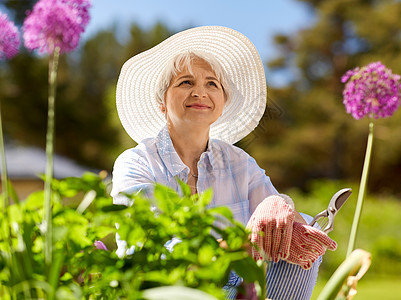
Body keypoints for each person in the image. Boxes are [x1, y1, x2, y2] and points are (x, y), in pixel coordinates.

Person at [111, 26, 336, 300]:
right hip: (159, 292)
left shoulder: (238, 161)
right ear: (162, 101)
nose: (200, 92)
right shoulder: (136, 163)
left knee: (293, 239)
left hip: (234, 291)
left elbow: (279, 217)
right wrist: (241, 243)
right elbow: (148, 253)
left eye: (212, 84)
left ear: (222, 101)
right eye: (185, 82)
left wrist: (279, 205)